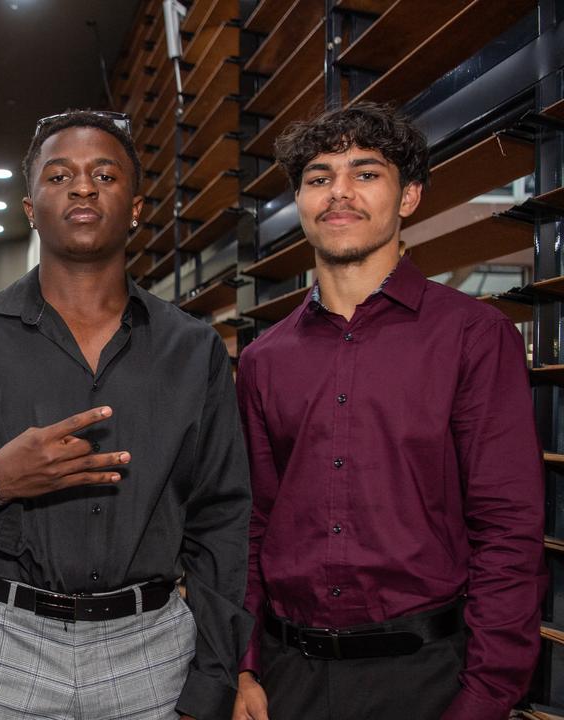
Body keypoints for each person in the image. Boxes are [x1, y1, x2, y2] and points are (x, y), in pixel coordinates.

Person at [0, 109, 251, 720]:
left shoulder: (192, 349)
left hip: (153, 649)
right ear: (30, 209)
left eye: (104, 175)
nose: (83, 187)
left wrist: (214, 678)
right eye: (59, 176)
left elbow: (221, 520)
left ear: (136, 206)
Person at [232, 103, 545, 720]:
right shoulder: (265, 359)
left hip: (428, 680)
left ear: (409, 198)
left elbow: (508, 530)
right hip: (286, 679)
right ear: (300, 202)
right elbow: (249, 526)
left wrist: (485, 698)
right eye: (319, 178)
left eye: (366, 173)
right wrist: (243, 667)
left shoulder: (474, 336)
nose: (339, 193)